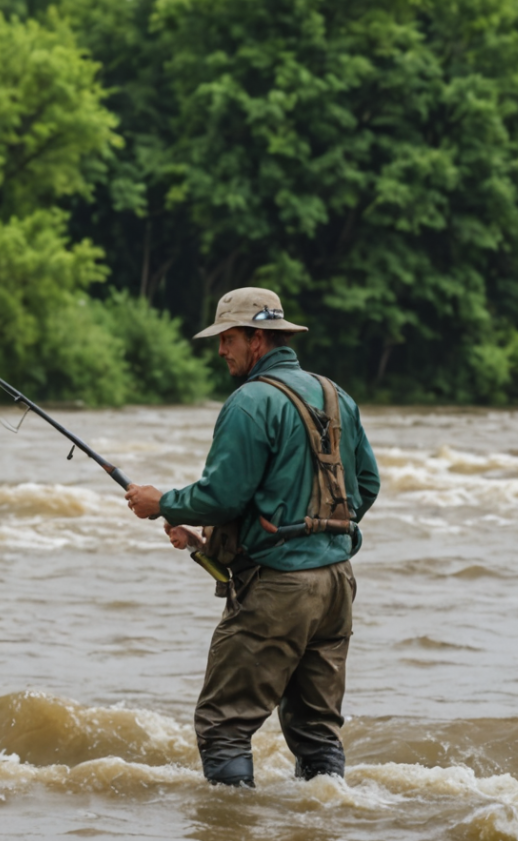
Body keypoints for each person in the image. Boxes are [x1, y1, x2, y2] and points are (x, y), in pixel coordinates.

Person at [124, 287, 380, 787]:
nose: (221, 350)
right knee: (317, 730)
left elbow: (222, 496)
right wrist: (317, 535)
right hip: (336, 586)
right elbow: (365, 486)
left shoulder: (249, 403)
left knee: (223, 727)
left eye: (229, 339)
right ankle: (328, 826)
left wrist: (162, 503)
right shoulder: (336, 395)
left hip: (279, 590)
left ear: (257, 339)